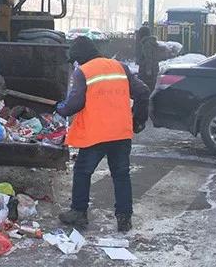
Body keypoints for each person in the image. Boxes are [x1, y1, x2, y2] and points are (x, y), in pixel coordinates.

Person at [56, 36, 149, 232]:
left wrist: (60, 109)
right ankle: (124, 218)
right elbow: (142, 91)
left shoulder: (84, 71)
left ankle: (79, 213)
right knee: (121, 175)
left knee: (82, 172)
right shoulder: (120, 67)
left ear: (80, 57)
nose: (76, 64)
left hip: (96, 134)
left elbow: (75, 103)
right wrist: (138, 119)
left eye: (75, 60)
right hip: (121, 134)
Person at [135, 26, 160, 91]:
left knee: (144, 88)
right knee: (151, 88)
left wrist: (148, 71)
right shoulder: (153, 43)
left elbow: (148, 58)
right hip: (154, 69)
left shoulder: (146, 44)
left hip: (146, 72)